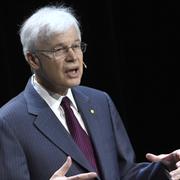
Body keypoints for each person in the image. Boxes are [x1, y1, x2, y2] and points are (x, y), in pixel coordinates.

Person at [0, 4, 180, 180]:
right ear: (33, 59)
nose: (73, 57)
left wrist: (163, 170)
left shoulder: (100, 101)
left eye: (76, 46)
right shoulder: (9, 123)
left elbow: (124, 173)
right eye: (59, 49)